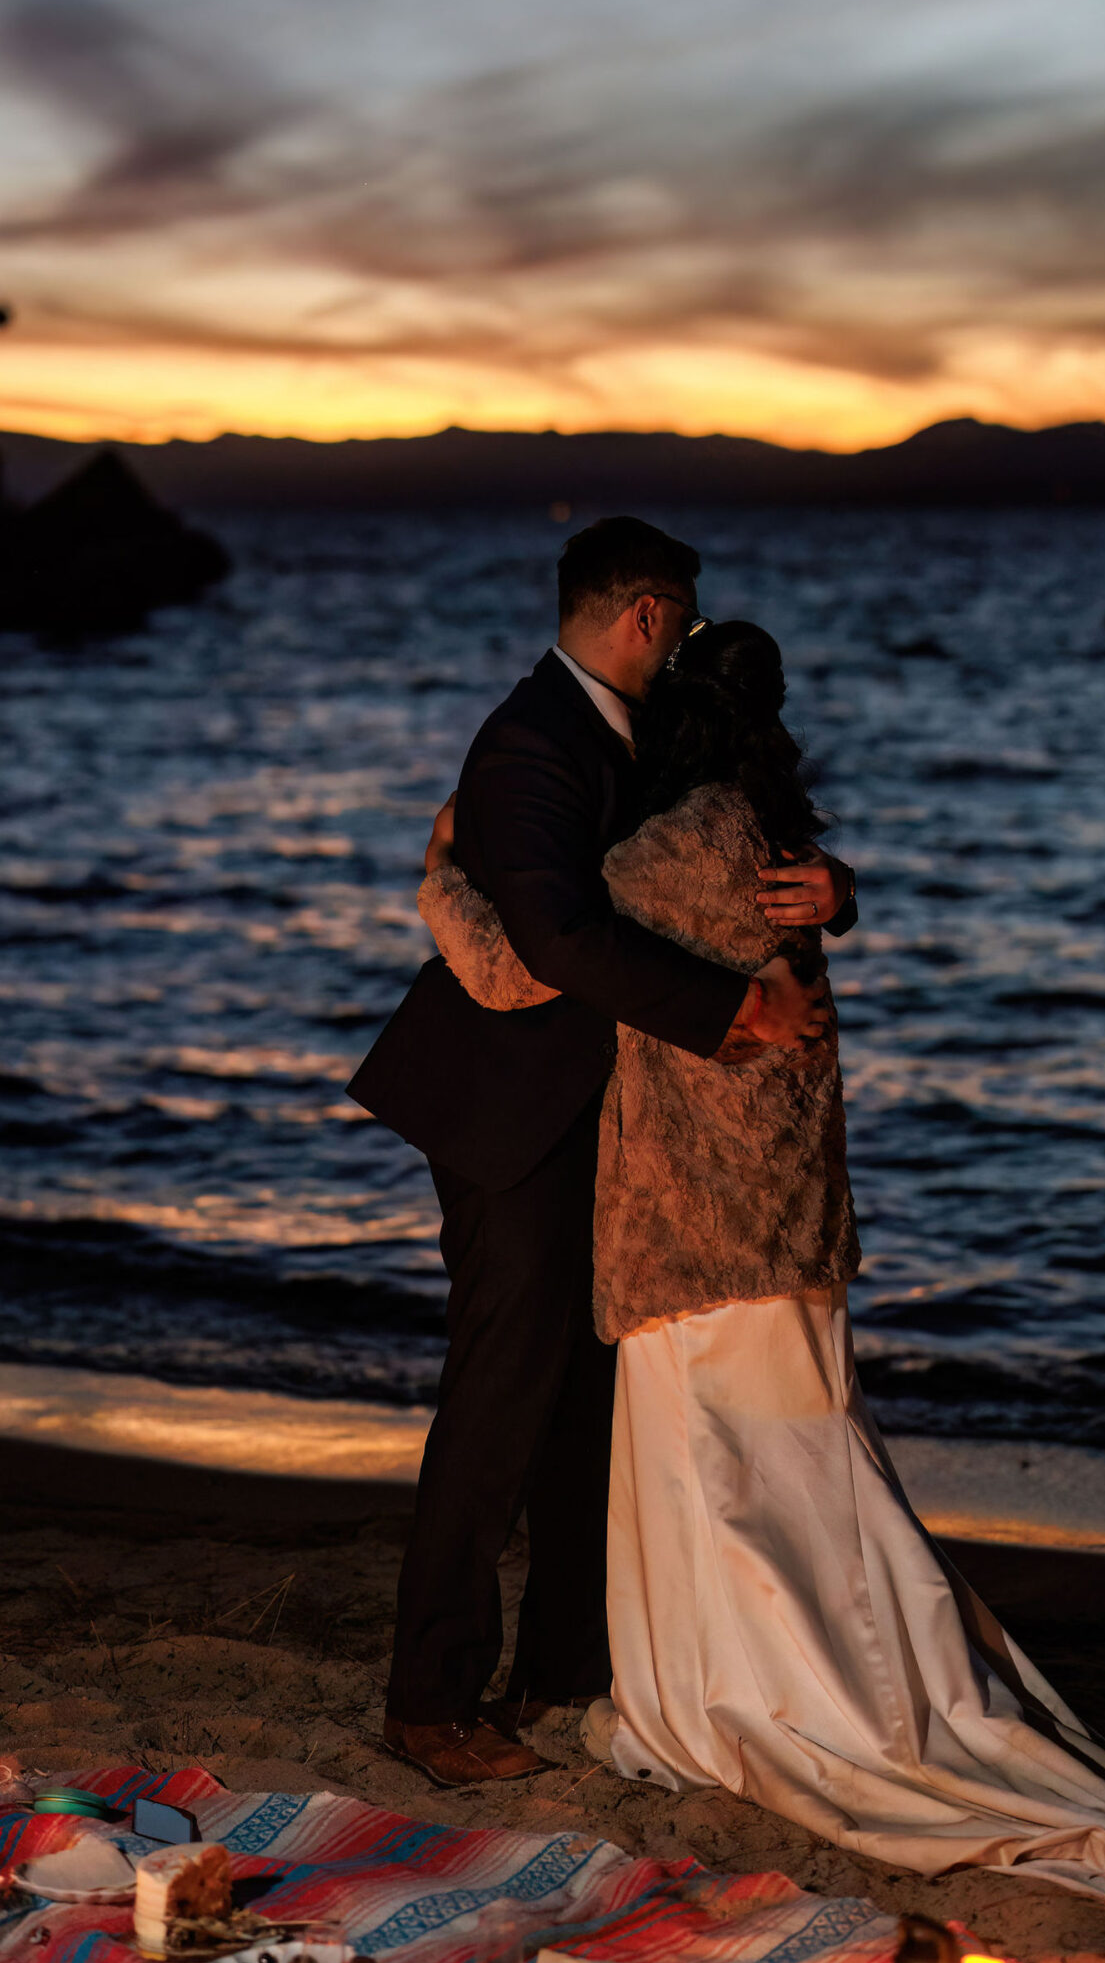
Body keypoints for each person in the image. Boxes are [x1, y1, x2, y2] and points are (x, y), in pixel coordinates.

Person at [421, 616, 1105, 1949]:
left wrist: (443, 863)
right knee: (800, 1463)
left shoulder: (668, 852)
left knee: (724, 1474)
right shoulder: (771, 843)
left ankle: (762, 1697)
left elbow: (509, 961)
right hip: (788, 1220)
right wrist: (840, 888)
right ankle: (833, 1679)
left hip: (696, 1227)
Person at [347, 519, 856, 1788]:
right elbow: (561, 939)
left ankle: (565, 1669)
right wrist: (736, 1011)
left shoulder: (634, 737)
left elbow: (711, 860)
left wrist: (830, 885)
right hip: (505, 1117)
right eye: (678, 623)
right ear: (644, 612)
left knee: (586, 1400)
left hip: (603, 1122)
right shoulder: (529, 743)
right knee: (500, 1398)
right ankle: (429, 1699)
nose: (682, 646)